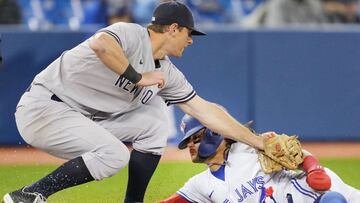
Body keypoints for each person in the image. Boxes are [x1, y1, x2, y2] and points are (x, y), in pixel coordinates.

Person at [3, 1, 265, 203]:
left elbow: (204, 110)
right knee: (114, 155)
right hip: (44, 108)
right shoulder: (130, 34)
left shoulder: (168, 72)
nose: (190, 40)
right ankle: (28, 195)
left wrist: (258, 142)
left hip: (79, 118)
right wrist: (137, 77)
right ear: (173, 28)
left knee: (154, 124)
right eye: (188, 32)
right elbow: (100, 44)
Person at [159, 114, 360, 202]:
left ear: (214, 132)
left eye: (195, 138)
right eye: (187, 142)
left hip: (312, 194)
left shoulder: (250, 145)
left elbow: (296, 153)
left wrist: (314, 168)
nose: (190, 146)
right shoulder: (199, 185)